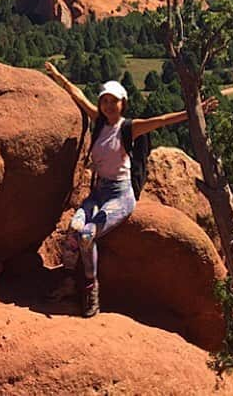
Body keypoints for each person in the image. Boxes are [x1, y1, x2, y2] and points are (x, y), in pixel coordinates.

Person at [44, 60, 219, 317]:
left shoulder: (129, 127)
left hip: (120, 195)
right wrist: (59, 76)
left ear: (122, 103)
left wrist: (194, 112)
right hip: (99, 192)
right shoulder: (100, 122)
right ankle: (70, 282)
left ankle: (91, 290)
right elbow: (78, 95)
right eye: (104, 100)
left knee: (86, 234)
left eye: (113, 101)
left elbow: (160, 121)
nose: (107, 105)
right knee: (73, 229)